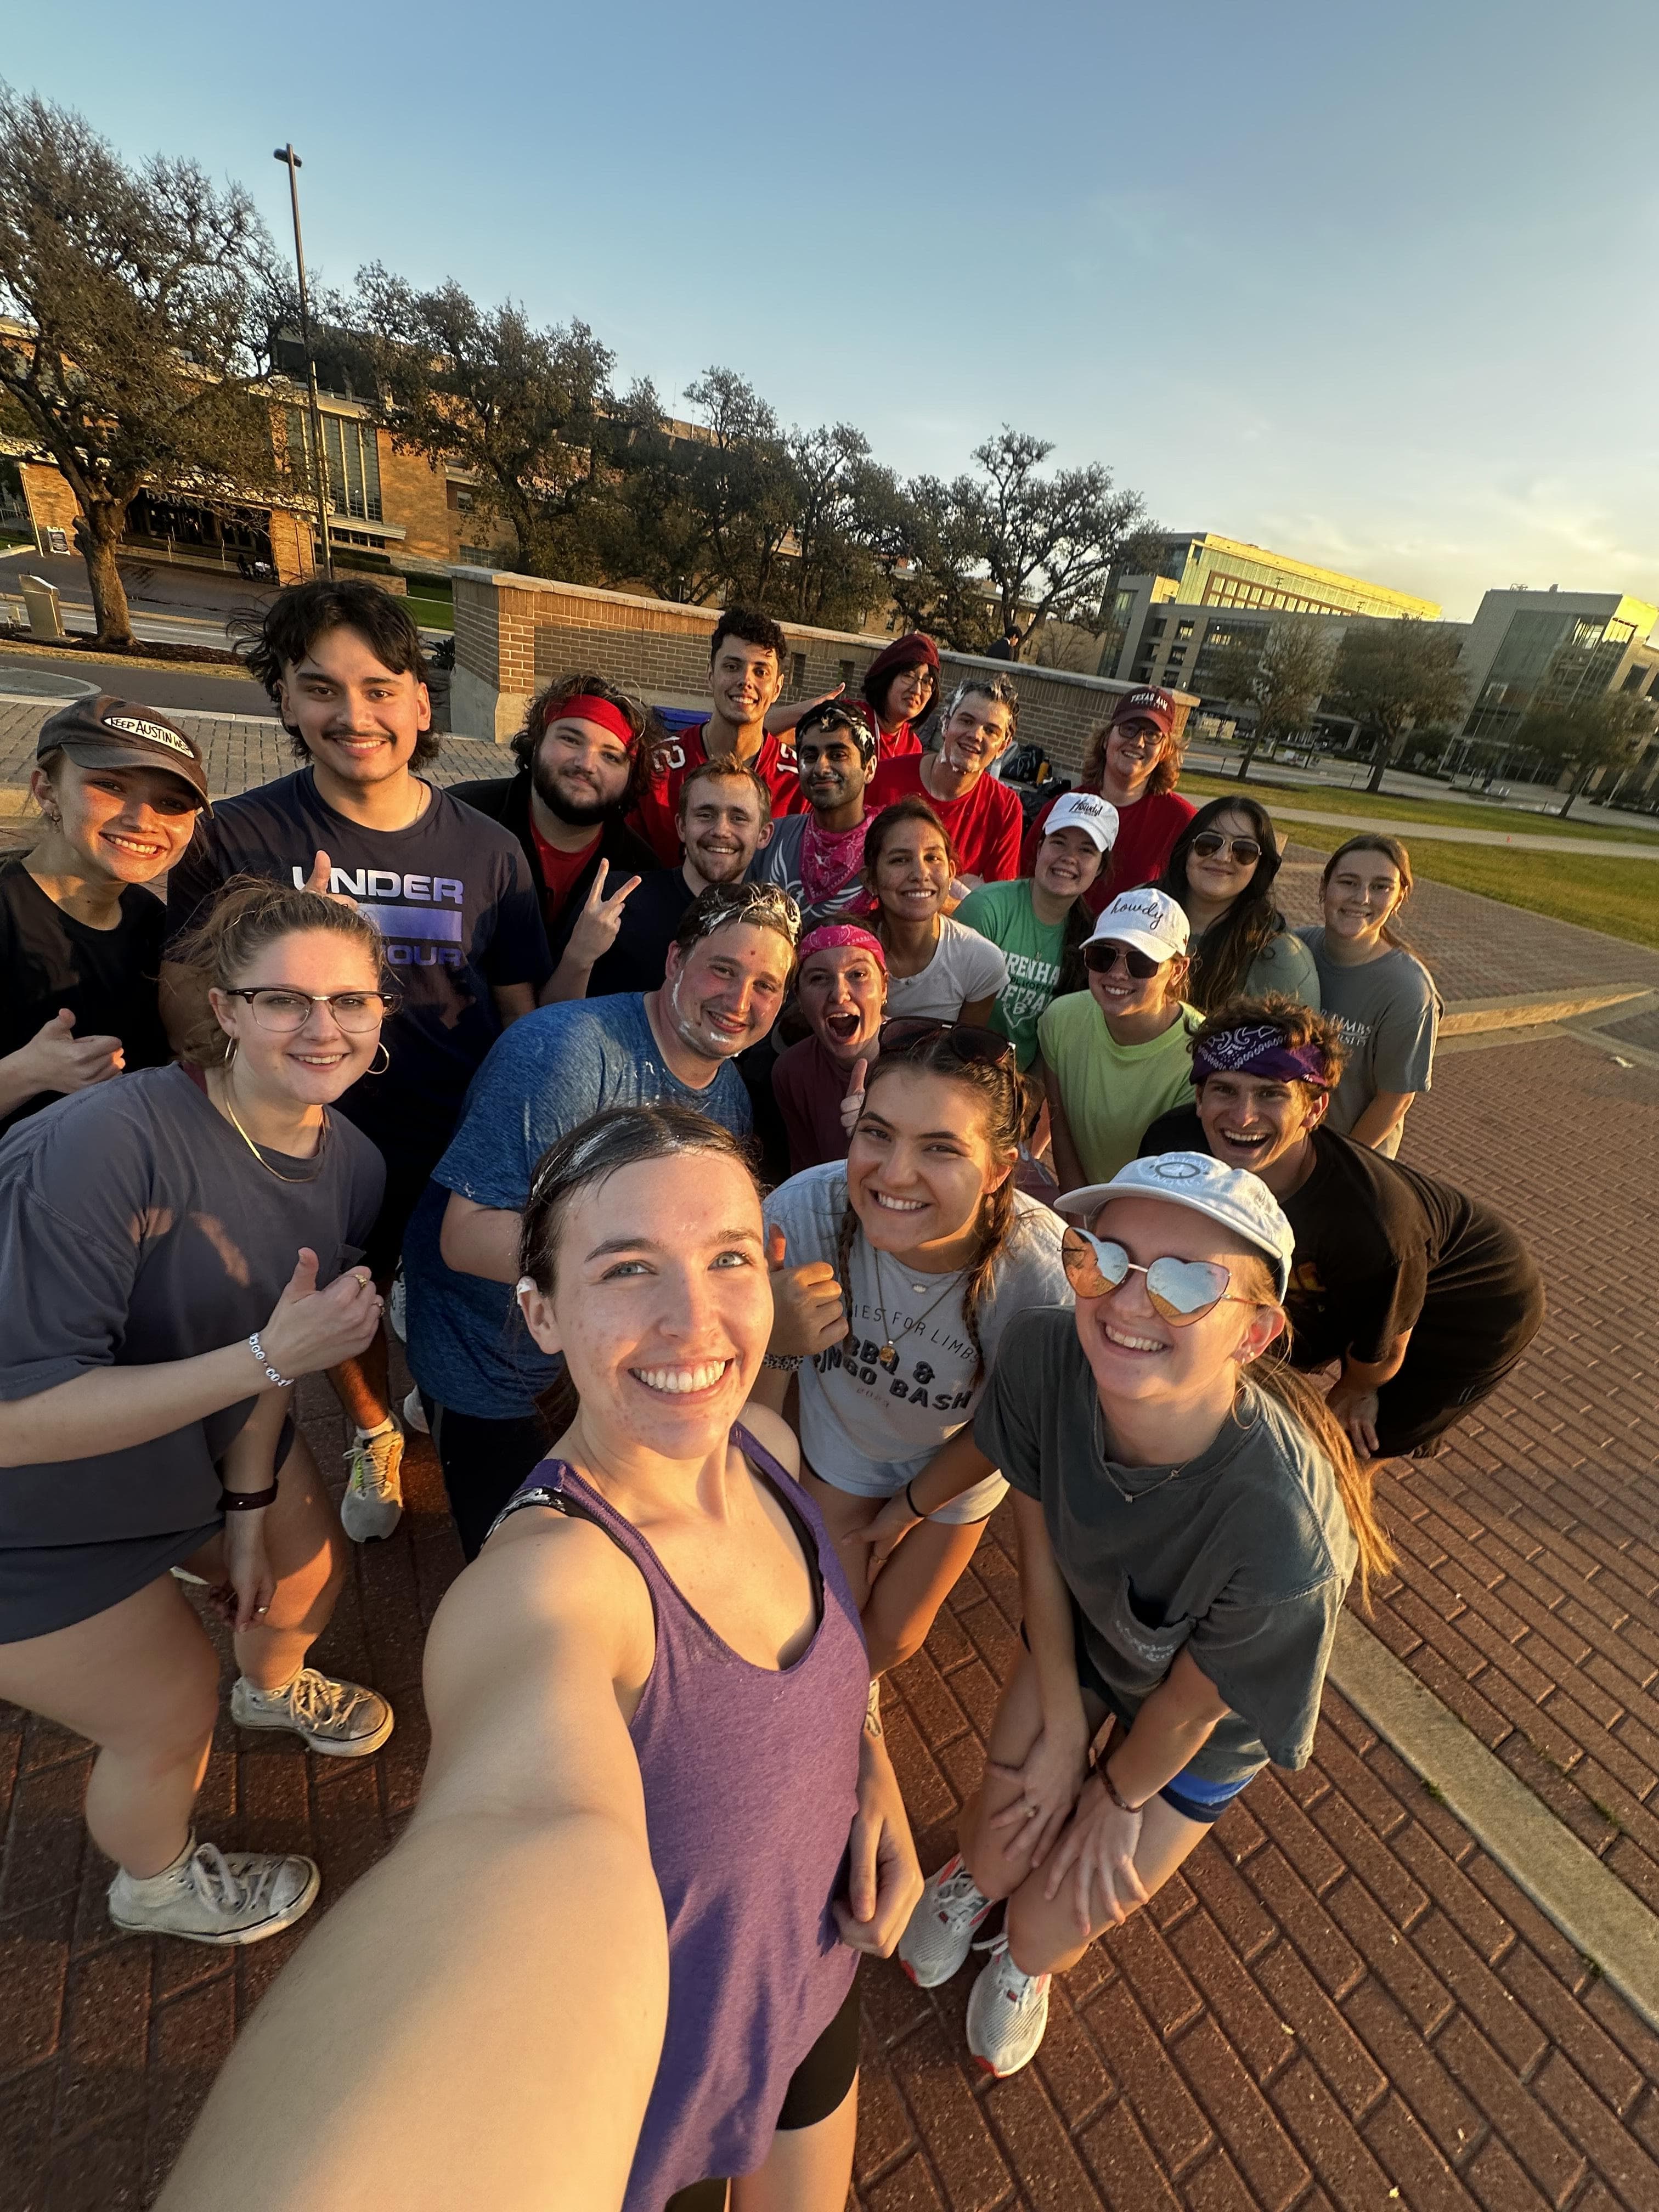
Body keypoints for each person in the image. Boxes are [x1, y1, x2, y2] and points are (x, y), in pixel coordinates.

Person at [157, 1105, 923, 2212]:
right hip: (646, 2092)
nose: (691, 1320)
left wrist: (866, 1769)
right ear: (542, 1312)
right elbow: (509, 1827)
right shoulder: (551, 1586)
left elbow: (820, 1685)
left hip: (811, 1978)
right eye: (627, 1269)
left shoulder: (765, 1445)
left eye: (725, 1259)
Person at [896, 1150, 1392, 2077]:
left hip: (1197, 1728)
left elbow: (1193, 1707)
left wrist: (1112, 1794)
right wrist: (1059, 1722)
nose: (1128, 1301)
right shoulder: (1048, 1353)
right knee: (994, 1849)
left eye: (1185, 1283)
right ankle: (972, 1882)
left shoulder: (1286, 1535)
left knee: (1049, 1922)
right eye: (1106, 1258)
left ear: (1254, 1334)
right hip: (1087, 1638)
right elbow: (1040, 1542)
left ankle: (1021, 1964)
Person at [0, 882, 394, 1946]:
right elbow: (16, 1420)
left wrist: (248, 1512)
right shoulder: (102, 1145)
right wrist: (266, 1358)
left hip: (184, 1435)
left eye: (351, 1002)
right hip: (27, 1506)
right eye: (284, 1000)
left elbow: (277, 1347)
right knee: (170, 1706)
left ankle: (271, 1688)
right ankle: (155, 1882)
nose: (322, 1029)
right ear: (224, 1009)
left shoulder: (351, 1162)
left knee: (302, 1577)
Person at [164, 578, 551, 1544]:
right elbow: (183, 1003)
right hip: (311, 1140)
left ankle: (443, 1395)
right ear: (287, 700)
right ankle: (374, 1428)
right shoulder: (239, 837)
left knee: (463, 1286)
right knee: (341, 1297)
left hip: (456, 1133)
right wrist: (288, 949)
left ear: (420, 702)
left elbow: (519, 1011)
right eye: (321, 688)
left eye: (379, 689)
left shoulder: (490, 849)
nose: (354, 715)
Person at [402, 882, 800, 1558]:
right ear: (675, 961)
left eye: (765, 984)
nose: (740, 1000)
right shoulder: (566, 1052)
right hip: (488, 1356)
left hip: (601, 1364)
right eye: (723, 969)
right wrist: (638, 1279)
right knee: (518, 1555)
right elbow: (465, 1236)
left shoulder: (728, 1097)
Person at [759, 1022, 1070, 1676]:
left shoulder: (1043, 1277)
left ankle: (855, 1691)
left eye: (940, 1148)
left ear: (999, 1171)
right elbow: (743, 1417)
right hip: (842, 1443)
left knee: (897, 1636)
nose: (895, 1174)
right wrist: (777, 1344)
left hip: (964, 1459)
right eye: (878, 1134)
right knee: (828, 1616)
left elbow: (1012, 1426)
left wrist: (910, 1509)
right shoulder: (803, 1214)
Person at [1141, 996, 1545, 1460]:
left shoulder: (1370, 1224)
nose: (1243, 1116)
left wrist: (1357, 1388)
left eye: (1271, 1094)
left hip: (1474, 1304)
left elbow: (1384, 1351)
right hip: (1373, 1273)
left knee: (1349, 1446)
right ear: (1198, 1099)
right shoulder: (1172, 1148)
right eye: (1224, 1090)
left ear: (1314, 1111)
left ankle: (1406, 1432)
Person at [1, 696, 207, 1138]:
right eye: (111, 786)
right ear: (46, 791)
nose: (141, 820)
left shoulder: (157, 924)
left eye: (171, 803)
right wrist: (27, 1073)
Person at [447, 669, 659, 991]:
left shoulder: (641, 873)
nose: (586, 764)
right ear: (537, 742)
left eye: (610, 756)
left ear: (631, 776)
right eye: (570, 739)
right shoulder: (460, 819)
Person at [557, 759, 775, 1003]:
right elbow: (547, 1011)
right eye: (705, 815)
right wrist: (579, 957)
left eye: (739, 818)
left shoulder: (768, 931)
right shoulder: (617, 899)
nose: (721, 831)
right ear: (682, 826)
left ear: (763, 835)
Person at [1039, 888, 1199, 1188]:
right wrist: (1079, 1209)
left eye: (1141, 962)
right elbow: (1061, 1128)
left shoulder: (1202, 1054)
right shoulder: (1059, 1020)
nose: (1117, 973)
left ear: (1177, 971)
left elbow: (1175, 1176)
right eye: (1103, 956)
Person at [956, 791, 1118, 1071]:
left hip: (1022, 1082)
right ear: (1040, 847)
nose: (1069, 858)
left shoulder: (1089, 940)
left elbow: (1057, 1045)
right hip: (959, 1065)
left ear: (1100, 867)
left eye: (1086, 850)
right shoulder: (986, 909)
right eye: (1059, 842)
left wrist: (1028, 1089)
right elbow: (946, 1013)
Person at [1299, 834, 1437, 1157]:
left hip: (1347, 1158)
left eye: (1380, 887)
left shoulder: (1408, 991)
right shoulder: (1296, 950)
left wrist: (1339, 1163)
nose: (1361, 897)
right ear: (1324, 888)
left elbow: (1395, 1099)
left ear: (1399, 899)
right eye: (1348, 882)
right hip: (1286, 1150)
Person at [633, 607, 805, 862]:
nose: (745, 681)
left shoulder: (800, 784)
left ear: (777, 688)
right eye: (732, 667)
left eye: (761, 672)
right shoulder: (657, 769)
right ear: (711, 675)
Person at [1022, 687, 1195, 912]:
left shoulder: (1183, 822)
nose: (1138, 742)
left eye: (1152, 735)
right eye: (1128, 729)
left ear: (1165, 751)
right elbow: (1023, 881)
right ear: (1106, 739)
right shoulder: (1063, 807)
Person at [1156, 795, 1319, 1015]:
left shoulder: (1281, 958)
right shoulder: (1138, 909)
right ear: (1187, 849)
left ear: (1260, 865)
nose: (1222, 857)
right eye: (1209, 843)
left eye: (1244, 850)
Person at [867, 676, 1024, 886]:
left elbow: (997, 899)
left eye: (990, 731)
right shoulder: (884, 777)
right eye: (966, 721)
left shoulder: (1005, 808)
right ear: (946, 723)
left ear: (1003, 747)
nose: (976, 735)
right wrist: (961, 891)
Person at [865, 798, 1008, 1025]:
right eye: (900, 860)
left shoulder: (980, 961)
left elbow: (962, 1046)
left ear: (951, 873)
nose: (920, 874)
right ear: (870, 879)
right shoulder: (846, 955)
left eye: (932, 858)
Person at [772, 924, 889, 1176]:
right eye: (819, 978)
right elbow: (808, 1176)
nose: (839, 994)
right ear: (798, 996)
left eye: (858, 974)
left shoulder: (928, 1059)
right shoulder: (792, 1071)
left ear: (884, 987)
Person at [749, 699, 878, 928]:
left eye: (838, 755)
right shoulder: (772, 838)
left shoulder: (889, 847)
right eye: (810, 756)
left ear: (869, 768)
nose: (821, 768)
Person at [855, 631, 936, 759]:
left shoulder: (913, 747)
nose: (917, 690)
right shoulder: (849, 721)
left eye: (926, 682)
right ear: (887, 679)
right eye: (909, 676)